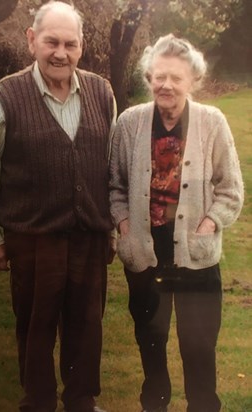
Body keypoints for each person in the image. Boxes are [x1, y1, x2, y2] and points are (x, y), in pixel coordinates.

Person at [0, 2, 117, 412]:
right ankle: (38, 401)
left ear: (81, 46)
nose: (60, 53)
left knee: (87, 325)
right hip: (33, 239)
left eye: (70, 44)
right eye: (51, 41)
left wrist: (112, 227)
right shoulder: (4, 96)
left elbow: (109, 167)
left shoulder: (102, 92)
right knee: (36, 327)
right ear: (32, 40)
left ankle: (81, 400)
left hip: (90, 235)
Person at [109, 34, 244, 412]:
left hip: (196, 255)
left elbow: (231, 189)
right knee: (150, 341)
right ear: (149, 77)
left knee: (199, 345)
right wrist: (123, 226)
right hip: (145, 252)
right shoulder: (130, 122)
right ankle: (155, 405)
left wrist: (209, 224)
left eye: (177, 78)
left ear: (193, 81)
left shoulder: (212, 122)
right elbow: (114, 186)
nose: (166, 85)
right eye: (159, 76)